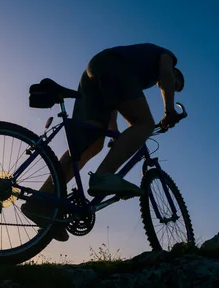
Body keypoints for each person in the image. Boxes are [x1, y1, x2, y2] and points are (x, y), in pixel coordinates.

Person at [21, 43, 185, 241]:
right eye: (177, 85)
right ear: (176, 73)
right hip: (113, 66)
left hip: (95, 71)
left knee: (89, 146)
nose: (173, 88)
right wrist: (169, 110)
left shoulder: (139, 72)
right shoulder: (167, 56)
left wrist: (113, 128)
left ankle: (41, 201)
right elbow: (166, 76)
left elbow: (114, 97)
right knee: (144, 124)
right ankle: (103, 176)